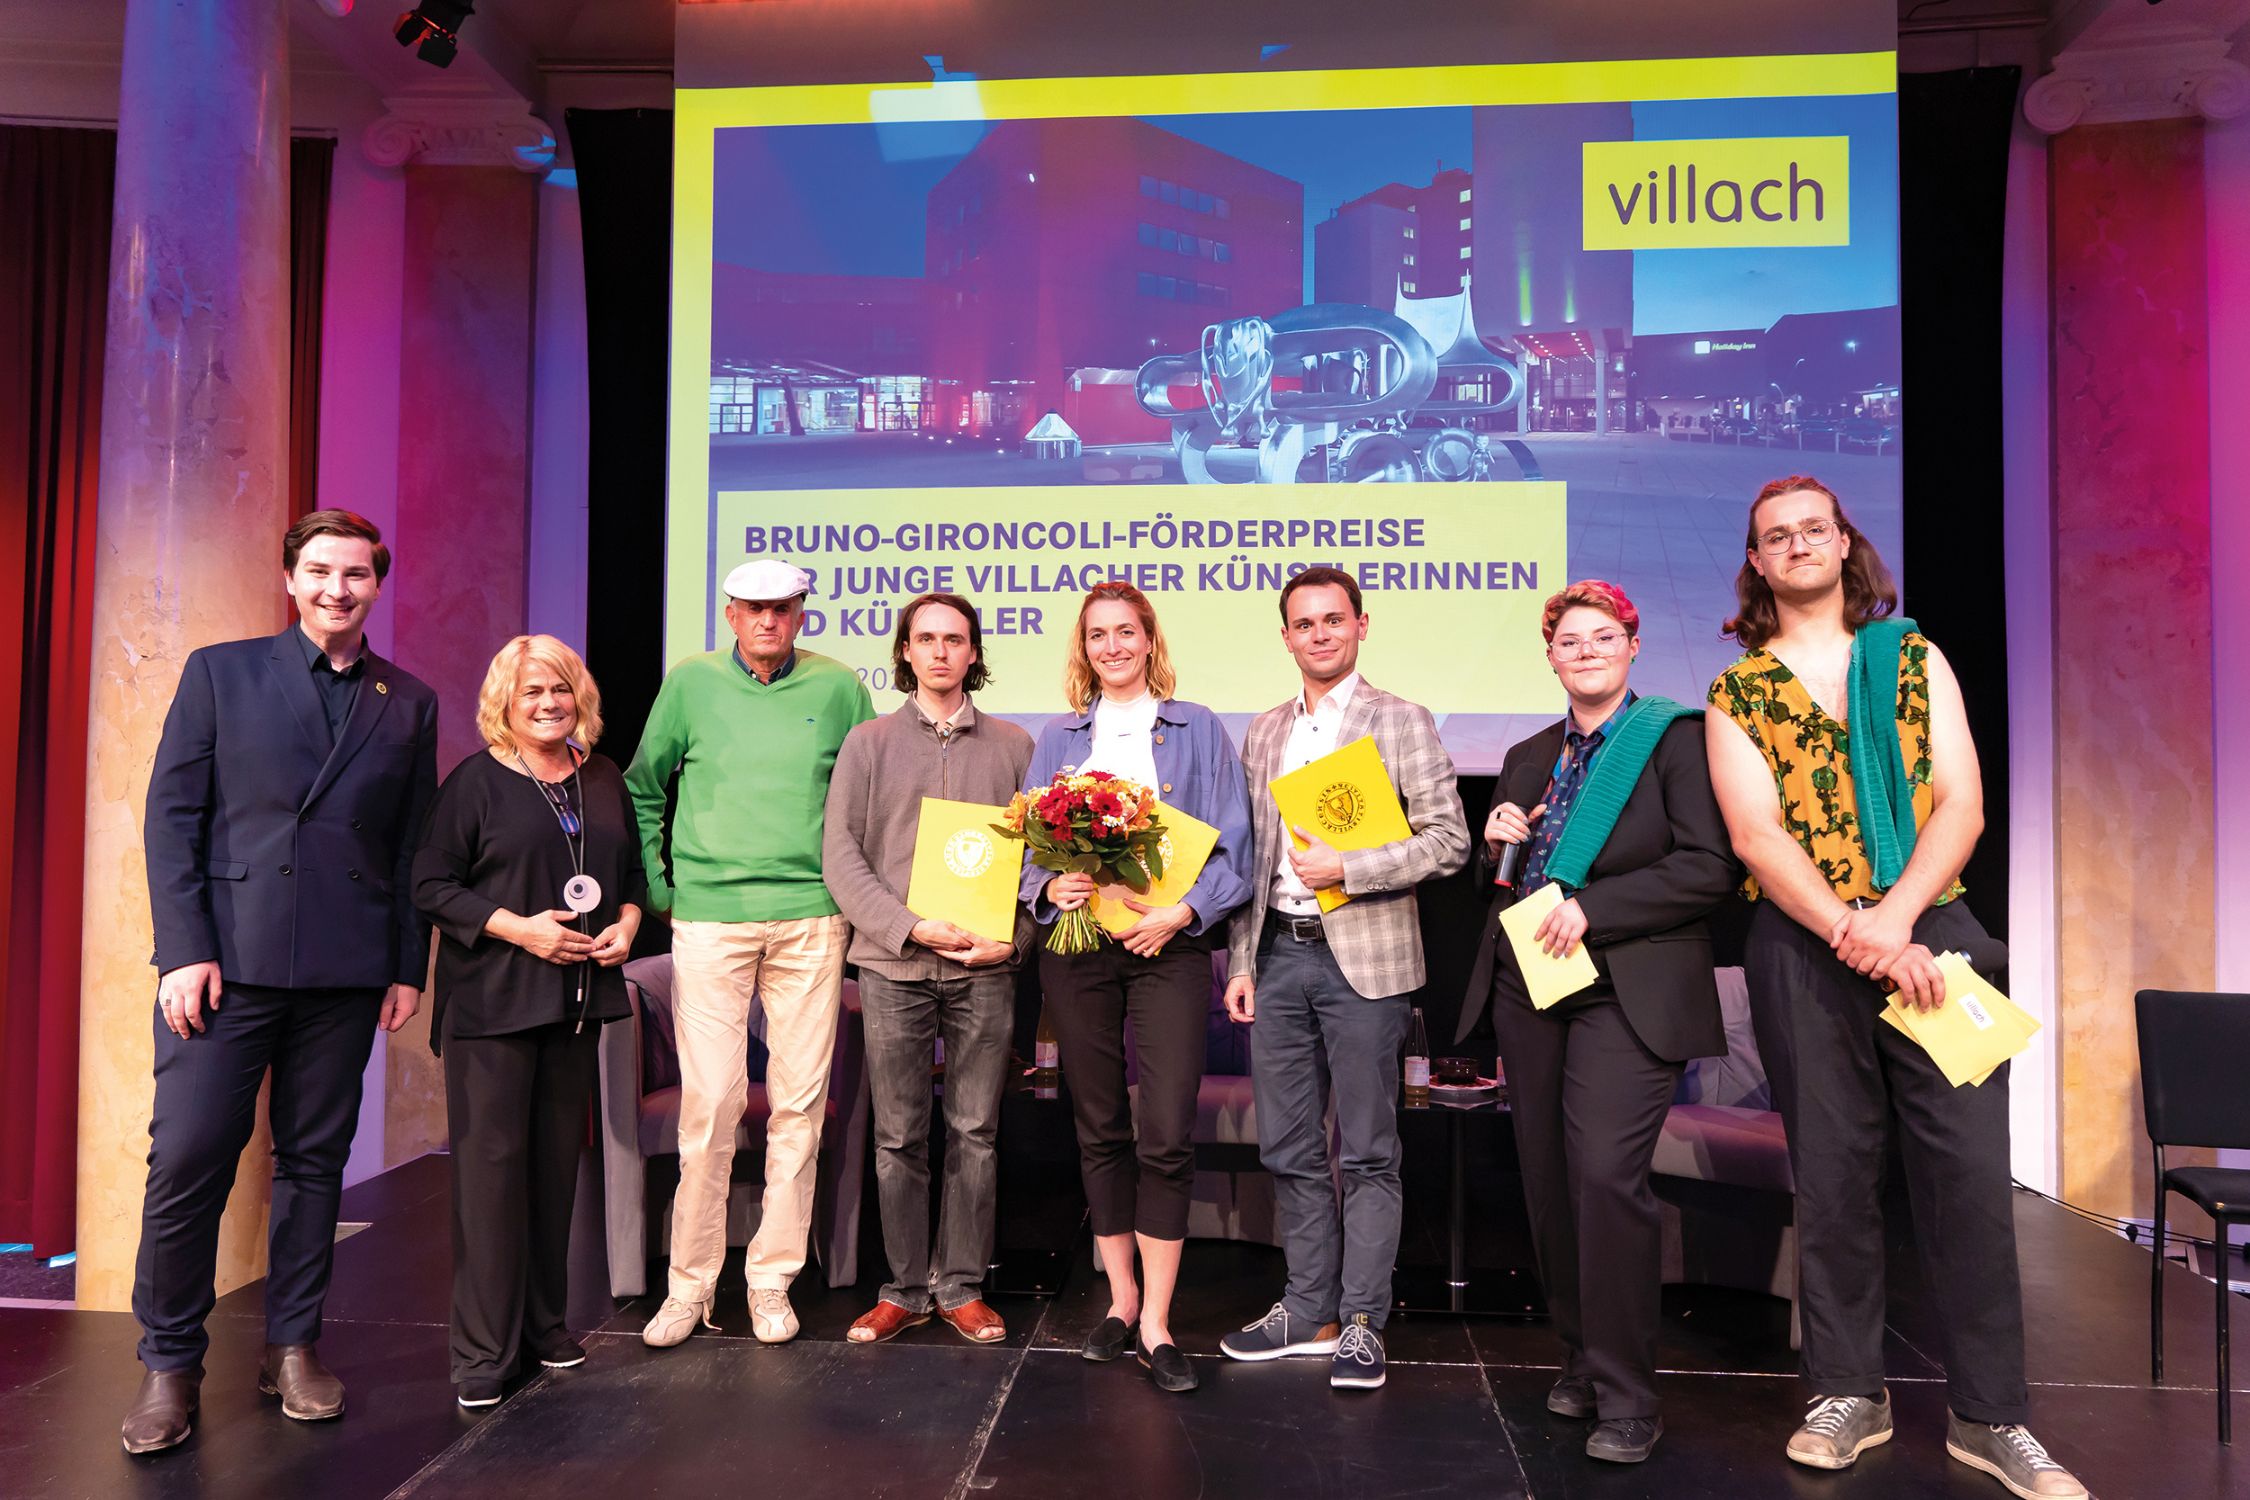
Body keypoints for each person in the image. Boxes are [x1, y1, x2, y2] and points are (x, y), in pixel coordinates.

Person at [1704, 476, 2086, 1498]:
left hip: (1935, 930)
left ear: (1844, 543)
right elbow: (1755, 835)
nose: (1795, 545)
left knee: (1967, 1180)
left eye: (1811, 529)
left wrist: (1896, 919)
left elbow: (1961, 804)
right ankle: (1846, 1393)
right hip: (1802, 941)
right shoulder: (1737, 691)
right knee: (1830, 1176)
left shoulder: (1911, 656)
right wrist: (1850, 929)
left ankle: (1993, 1417)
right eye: (1774, 536)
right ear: (1756, 562)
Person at [126, 509, 438, 1454]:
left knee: (313, 1168)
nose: (336, 589)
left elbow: (413, 842)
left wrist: (404, 965)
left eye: (355, 575)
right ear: (291, 580)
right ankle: (169, 1364)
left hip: (344, 972)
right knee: (187, 1163)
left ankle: (292, 1346)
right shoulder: (223, 672)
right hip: (225, 965)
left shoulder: (408, 699)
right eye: (319, 571)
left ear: (377, 585)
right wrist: (183, 949)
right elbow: (171, 817)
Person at [1453, 580, 1738, 1464]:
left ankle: (1627, 1395)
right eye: (1569, 640)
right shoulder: (1531, 751)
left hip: (1627, 984)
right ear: (1550, 656)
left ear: (1632, 645)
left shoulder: (1673, 741)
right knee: (1546, 1179)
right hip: (1531, 983)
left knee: (1607, 1179)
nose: (1586, 650)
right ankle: (1578, 1358)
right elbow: (1502, 882)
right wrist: (1492, 837)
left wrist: (1596, 907)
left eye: (1602, 636)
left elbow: (1710, 868)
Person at [1217, 567, 1469, 1392]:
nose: (1320, 634)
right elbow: (1253, 858)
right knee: (1289, 1147)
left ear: (1362, 626)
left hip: (1366, 960)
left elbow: (1448, 841)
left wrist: (1350, 866)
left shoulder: (1400, 720)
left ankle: (1363, 1320)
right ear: (1285, 636)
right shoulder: (1261, 731)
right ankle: (1306, 1310)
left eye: (1334, 620)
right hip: (1280, 955)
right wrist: (1245, 961)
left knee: (1366, 1151)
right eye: (1304, 623)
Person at [626, 560, 874, 1348]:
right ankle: (690, 1286)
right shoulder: (690, 683)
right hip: (713, 920)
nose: (769, 621)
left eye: (784, 608)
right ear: (729, 614)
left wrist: (851, 899)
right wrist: (663, 892)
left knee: (799, 1110)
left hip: (810, 918)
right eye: (753, 609)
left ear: (803, 614)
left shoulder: (840, 688)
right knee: (711, 1109)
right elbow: (642, 787)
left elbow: (867, 800)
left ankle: (770, 1281)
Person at [1020, 580, 1252, 1393]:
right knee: (1098, 1126)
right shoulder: (1057, 737)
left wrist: (1183, 912)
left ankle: (1158, 1320)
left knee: (1165, 1132)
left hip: (1170, 950)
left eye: (1127, 632)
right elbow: (1026, 850)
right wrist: (1049, 890)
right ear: (1082, 650)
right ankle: (1119, 1303)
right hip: (1079, 951)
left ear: (1150, 640)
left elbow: (1235, 849)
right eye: (1097, 636)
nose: (1113, 646)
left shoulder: (1199, 729)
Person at [413, 636, 645, 1408]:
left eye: (559, 690)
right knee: (490, 1184)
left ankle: (545, 1327)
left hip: (577, 1006)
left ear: (580, 695)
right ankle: (482, 1353)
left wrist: (629, 923)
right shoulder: (474, 783)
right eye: (529, 694)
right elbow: (431, 885)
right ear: (503, 707)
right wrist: (519, 927)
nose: (547, 704)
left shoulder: (602, 777)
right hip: (494, 1010)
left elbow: (630, 875)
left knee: (554, 1176)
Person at [822, 593, 1034, 1347]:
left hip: (984, 968)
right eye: (926, 639)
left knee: (975, 1131)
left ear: (974, 654)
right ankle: (904, 1288)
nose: (941, 652)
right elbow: (841, 857)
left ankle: (963, 1288)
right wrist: (909, 927)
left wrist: (1011, 941)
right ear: (904, 652)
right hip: (893, 965)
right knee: (899, 1136)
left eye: (955, 640)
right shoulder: (868, 743)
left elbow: (1039, 862)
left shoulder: (1014, 745)